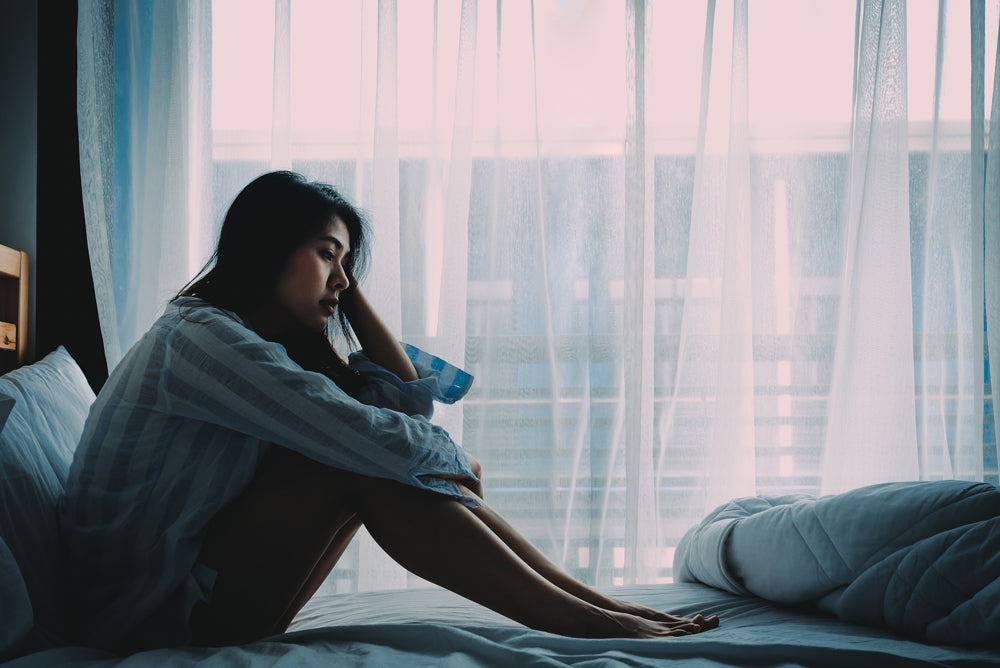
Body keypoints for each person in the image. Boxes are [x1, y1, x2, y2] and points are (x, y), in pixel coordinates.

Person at [60, 171, 719, 653]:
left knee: (367, 454)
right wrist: (458, 464)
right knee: (359, 461)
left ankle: (598, 606)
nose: (342, 281)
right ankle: (594, 622)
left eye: (347, 264)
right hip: (143, 623)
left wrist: (343, 296)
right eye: (327, 254)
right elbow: (388, 446)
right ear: (265, 248)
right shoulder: (201, 343)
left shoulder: (253, 345)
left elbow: (397, 411)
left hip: (188, 599)